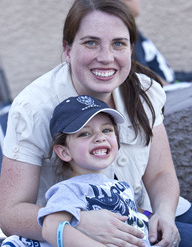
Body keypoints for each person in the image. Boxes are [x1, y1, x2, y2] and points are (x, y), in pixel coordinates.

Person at [0, 0, 184, 246]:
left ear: (131, 49)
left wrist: (165, 213)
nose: (106, 57)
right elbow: (10, 213)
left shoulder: (145, 90)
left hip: (143, 216)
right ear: (67, 49)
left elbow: (160, 173)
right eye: (91, 43)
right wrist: (75, 222)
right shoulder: (34, 108)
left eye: (118, 44)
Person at [2, 95, 154, 247]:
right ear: (64, 152)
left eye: (107, 130)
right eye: (85, 133)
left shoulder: (121, 186)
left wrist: (150, 217)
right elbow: (51, 227)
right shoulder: (70, 189)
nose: (100, 137)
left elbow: (131, 218)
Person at [105, 0, 192, 85]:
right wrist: (170, 87)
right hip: (165, 90)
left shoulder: (134, 31)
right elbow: (140, 72)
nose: (139, 1)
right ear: (124, 0)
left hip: (172, 81)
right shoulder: (126, 34)